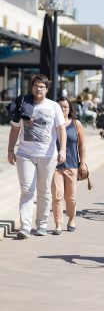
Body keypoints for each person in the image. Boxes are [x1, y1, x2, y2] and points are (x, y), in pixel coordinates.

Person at [7, 74, 66, 239]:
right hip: (25, 154)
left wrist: (62, 150)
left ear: (46, 89)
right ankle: (25, 226)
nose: (38, 89)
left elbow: (61, 129)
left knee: (44, 191)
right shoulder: (23, 104)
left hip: (48, 155)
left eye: (41, 86)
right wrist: (10, 150)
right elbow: (14, 129)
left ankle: (41, 224)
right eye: (35, 86)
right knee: (27, 190)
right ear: (31, 87)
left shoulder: (54, 106)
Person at [51, 97, 87, 235]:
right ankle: (58, 224)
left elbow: (82, 145)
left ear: (69, 109)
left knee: (70, 198)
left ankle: (71, 219)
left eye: (65, 107)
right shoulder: (52, 124)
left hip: (72, 165)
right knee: (57, 196)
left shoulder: (76, 124)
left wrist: (82, 163)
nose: (63, 109)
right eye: (60, 107)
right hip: (55, 166)